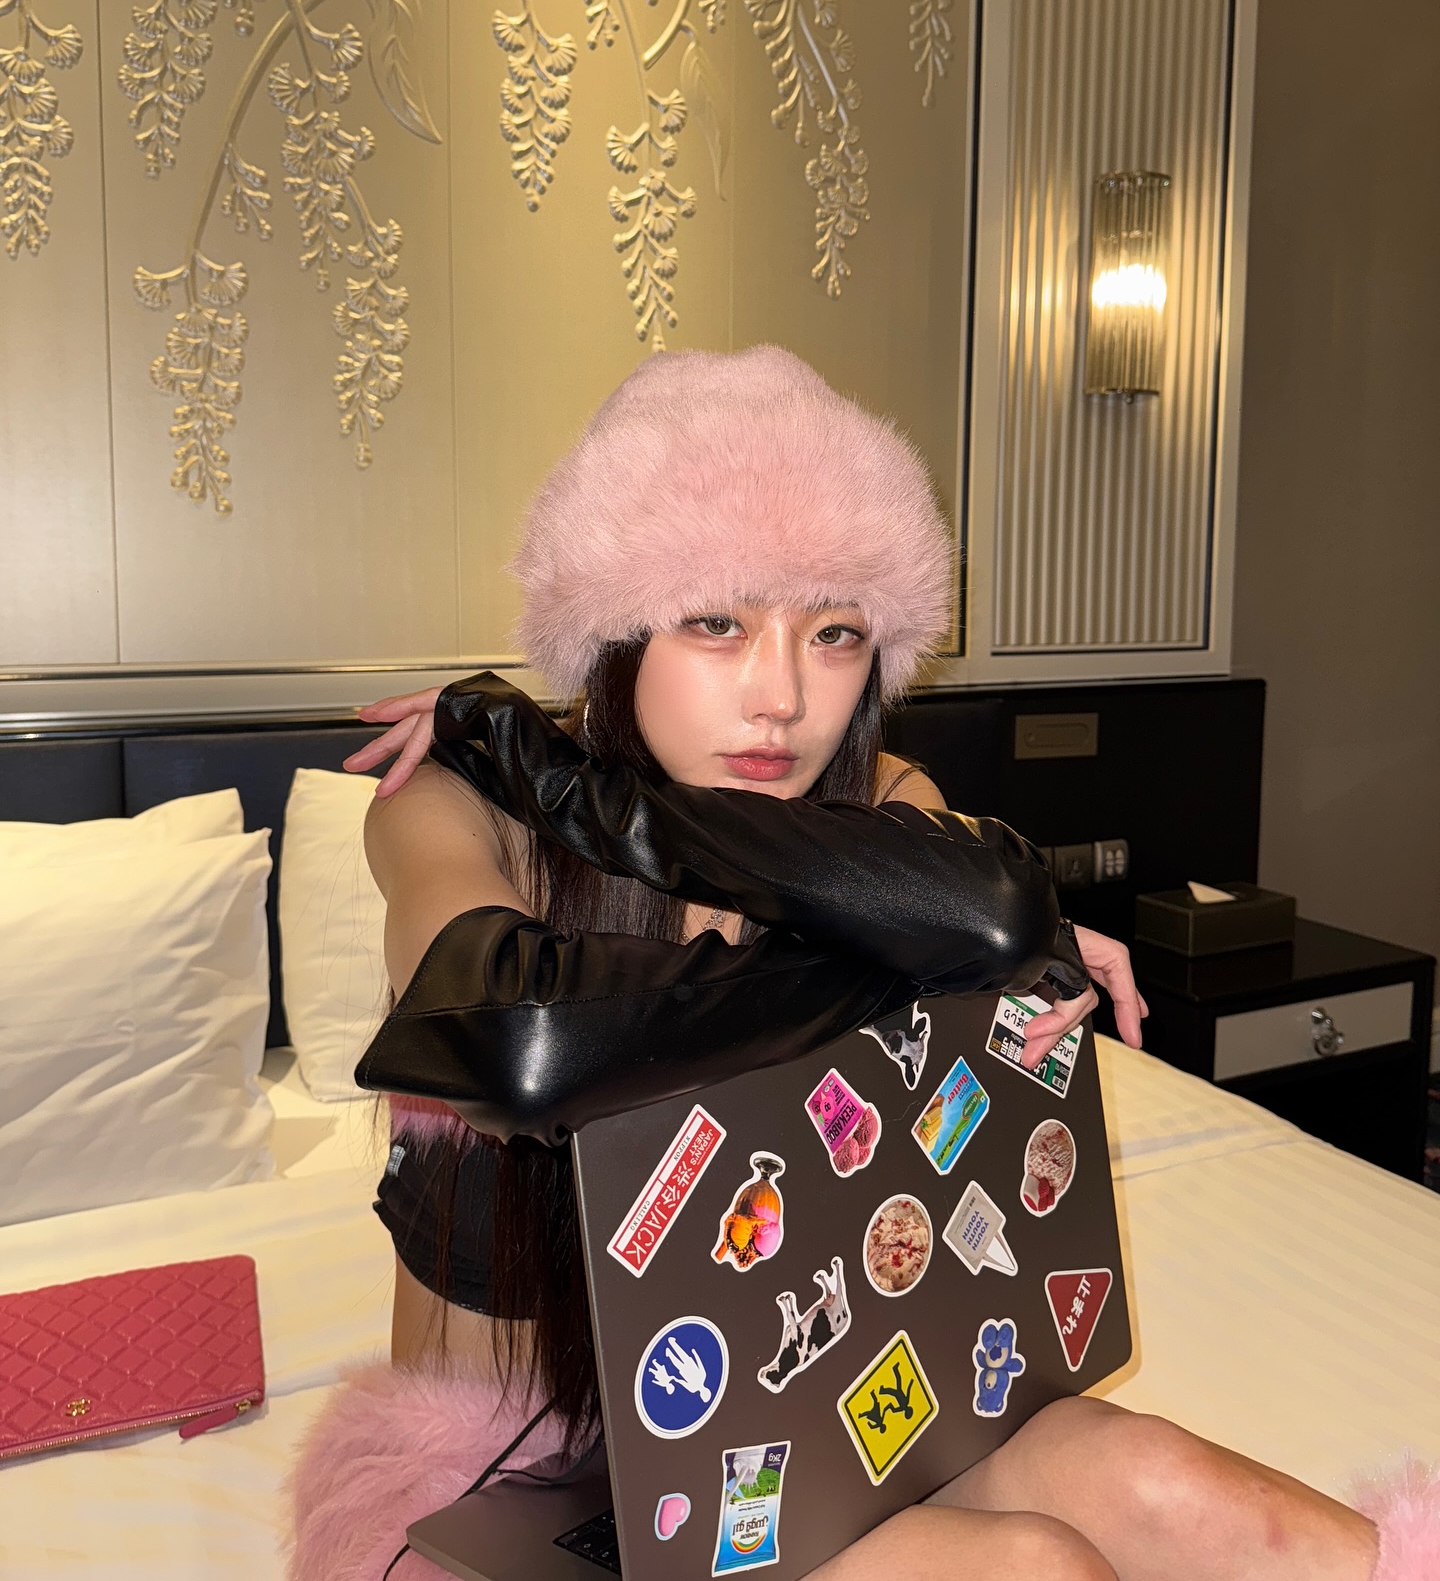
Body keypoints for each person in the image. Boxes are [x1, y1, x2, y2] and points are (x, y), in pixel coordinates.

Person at [323, 347, 1387, 1581]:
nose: (780, 697)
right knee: (1037, 1570)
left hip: (807, 1406)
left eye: (833, 633)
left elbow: (993, 912)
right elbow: (512, 1033)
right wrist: (901, 962)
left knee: (1172, 1486)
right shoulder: (457, 803)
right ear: (613, 628)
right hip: (524, 1483)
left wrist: (589, 794)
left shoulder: (876, 805)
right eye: (715, 621)